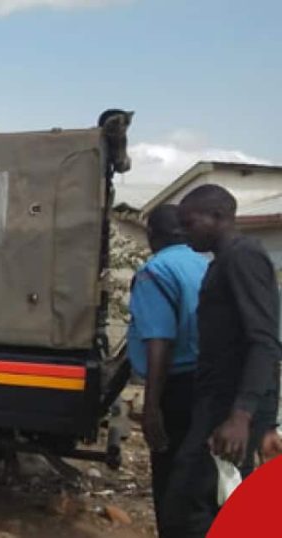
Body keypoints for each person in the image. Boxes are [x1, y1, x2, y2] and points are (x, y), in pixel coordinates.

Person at [163, 184, 281, 537]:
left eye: (189, 224)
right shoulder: (222, 262)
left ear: (217, 217)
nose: (184, 234)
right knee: (206, 502)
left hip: (228, 409)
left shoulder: (243, 257)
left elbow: (263, 341)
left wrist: (243, 417)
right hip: (221, 404)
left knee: (187, 506)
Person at [126, 204, 208, 536]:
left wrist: (151, 407)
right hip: (207, 386)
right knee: (198, 483)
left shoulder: (155, 271)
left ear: (152, 236)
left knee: (171, 483)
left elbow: (159, 341)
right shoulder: (203, 265)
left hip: (176, 389)